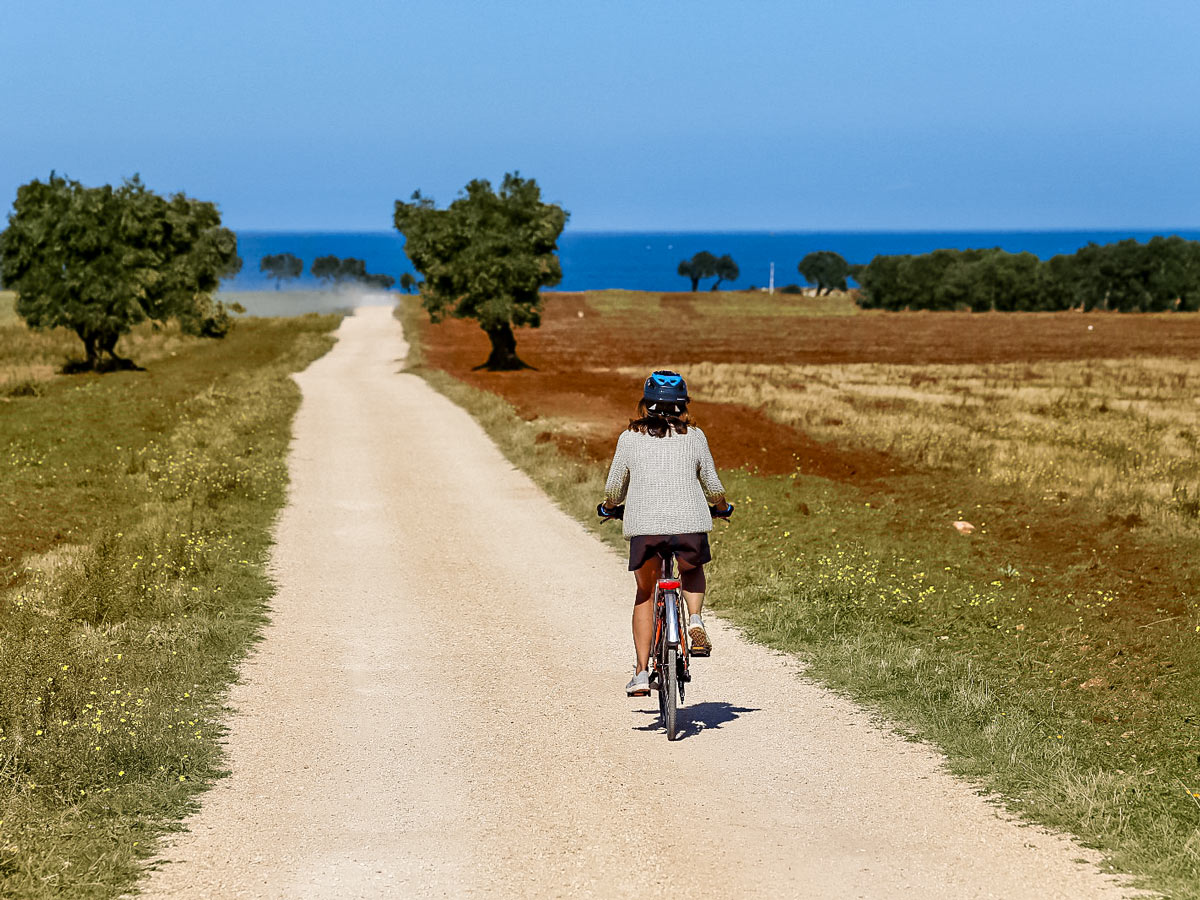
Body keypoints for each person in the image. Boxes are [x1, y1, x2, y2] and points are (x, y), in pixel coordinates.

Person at [599, 370, 732, 697]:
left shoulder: (629, 438)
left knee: (646, 593)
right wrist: (721, 506)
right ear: (682, 405)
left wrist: (609, 506)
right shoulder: (695, 437)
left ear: (646, 403)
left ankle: (642, 672)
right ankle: (696, 620)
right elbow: (713, 486)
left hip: (645, 529)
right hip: (689, 527)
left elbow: (614, 489)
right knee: (692, 569)